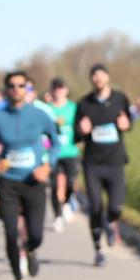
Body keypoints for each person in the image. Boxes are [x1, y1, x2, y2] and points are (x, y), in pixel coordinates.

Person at [0, 70, 60, 280]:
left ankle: (31, 250)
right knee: (10, 233)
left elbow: (55, 144)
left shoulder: (39, 115)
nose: (16, 89)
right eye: (12, 85)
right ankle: (18, 279)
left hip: (33, 182)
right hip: (9, 183)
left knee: (35, 234)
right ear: (7, 89)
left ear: (27, 88)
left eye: (21, 85)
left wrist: (47, 167)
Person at [75, 64, 131, 266]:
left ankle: (110, 221)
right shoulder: (83, 104)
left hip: (115, 161)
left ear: (107, 77)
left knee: (116, 207)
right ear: (91, 79)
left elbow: (128, 122)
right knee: (96, 207)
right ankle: (98, 249)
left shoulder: (120, 99)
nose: (98, 78)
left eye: (101, 74)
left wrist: (126, 124)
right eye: (94, 75)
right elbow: (75, 134)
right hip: (93, 164)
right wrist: (81, 131)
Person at [49, 78, 80, 232]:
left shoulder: (73, 108)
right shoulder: (48, 109)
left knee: (71, 181)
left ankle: (68, 202)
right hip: (53, 153)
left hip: (70, 151)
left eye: (61, 88)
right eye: (56, 88)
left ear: (66, 90)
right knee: (55, 186)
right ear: (52, 91)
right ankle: (58, 217)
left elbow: (79, 127)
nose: (58, 91)